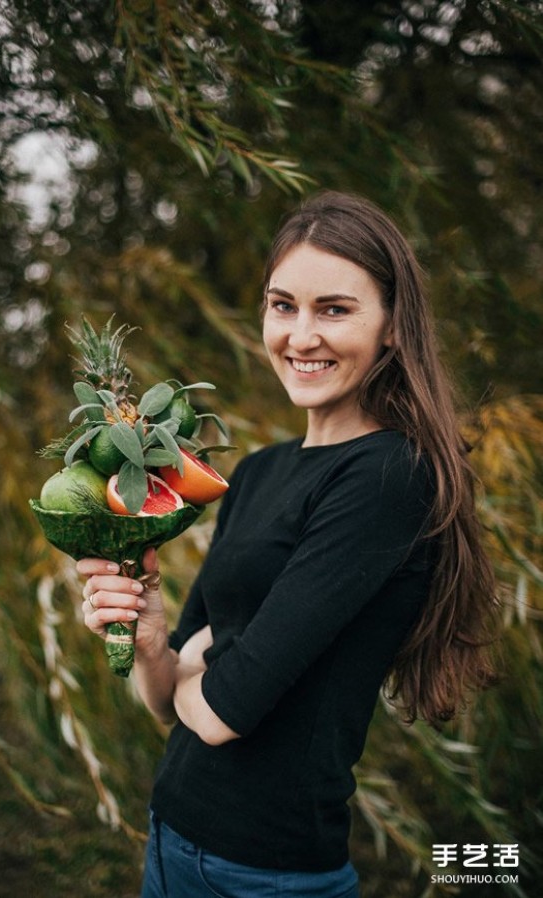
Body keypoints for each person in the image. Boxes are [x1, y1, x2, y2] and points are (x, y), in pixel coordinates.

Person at [78, 191, 499, 897]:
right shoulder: (254, 471)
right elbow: (169, 701)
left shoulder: (388, 475)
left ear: (393, 325)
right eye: (284, 306)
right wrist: (154, 642)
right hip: (171, 840)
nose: (301, 336)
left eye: (334, 309)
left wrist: (207, 659)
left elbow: (220, 715)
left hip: (265, 875)